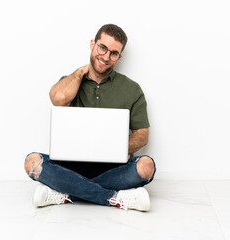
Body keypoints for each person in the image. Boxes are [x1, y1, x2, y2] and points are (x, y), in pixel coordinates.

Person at [24, 24, 155, 211]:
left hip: (113, 168)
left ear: (119, 57)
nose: (106, 57)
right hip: (70, 166)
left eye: (114, 53)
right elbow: (58, 98)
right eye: (102, 48)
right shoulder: (71, 80)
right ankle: (114, 198)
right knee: (32, 162)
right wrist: (80, 72)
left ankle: (65, 191)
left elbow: (142, 135)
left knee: (146, 166)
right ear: (92, 44)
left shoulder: (132, 89)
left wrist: (111, 147)